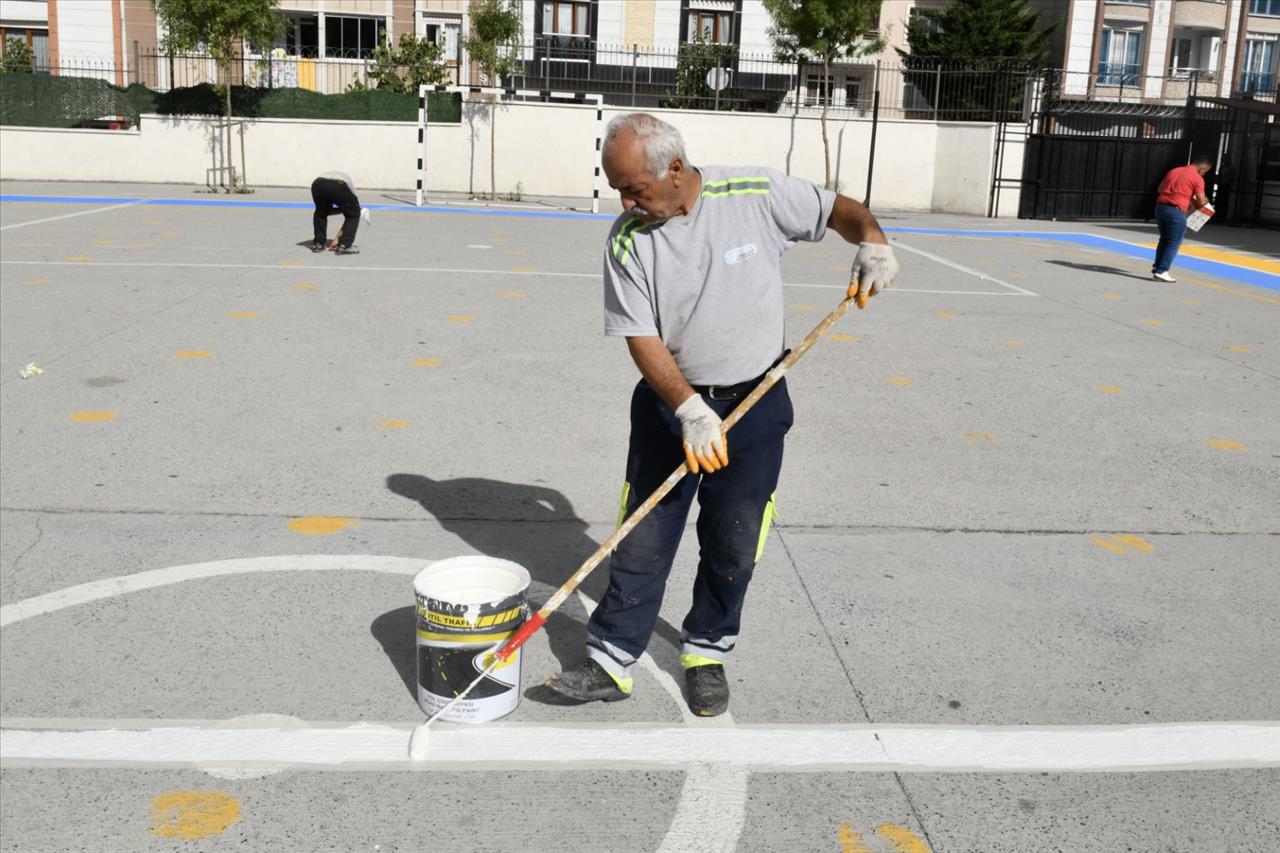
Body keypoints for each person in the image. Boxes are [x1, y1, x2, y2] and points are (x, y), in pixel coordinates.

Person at [545, 113, 900, 717]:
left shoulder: (754, 195)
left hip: (756, 401)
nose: (627, 202)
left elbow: (841, 210)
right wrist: (689, 410)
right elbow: (641, 336)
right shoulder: (628, 239)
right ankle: (610, 659)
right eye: (619, 190)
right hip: (672, 406)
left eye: (636, 188)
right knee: (644, 535)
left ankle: (706, 651)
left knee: (735, 539)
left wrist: (872, 240)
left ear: (675, 169)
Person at [1152, 155, 1212, 282]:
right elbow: (1201, 201)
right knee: (1174, 242)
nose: (1204, 174)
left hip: (1160, 208)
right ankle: (1162, 270)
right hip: (1176, 211)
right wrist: (1207, 203)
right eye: (1205, 172)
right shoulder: (1197, 178)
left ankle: (1157, 266)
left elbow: (1160, 189)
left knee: (1164, 239)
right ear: (1202, 168)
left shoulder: (1174, 171)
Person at [310, 170, 362, 255]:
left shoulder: (338, 176)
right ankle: (345, 245)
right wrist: (354, 210)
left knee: (320, 213)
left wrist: (346, 210)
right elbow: (352, 212)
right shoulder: (350, 187)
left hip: (317, 184)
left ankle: (318, 244)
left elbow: (327, 211)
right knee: (354, 214)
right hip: (337, 185)